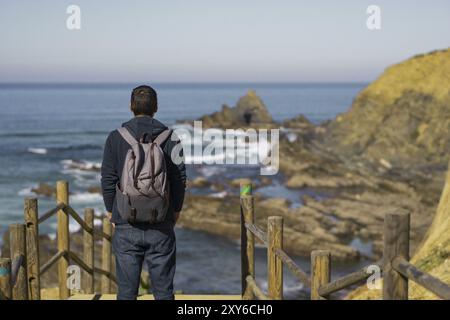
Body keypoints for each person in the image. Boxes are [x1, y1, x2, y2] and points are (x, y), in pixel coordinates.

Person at [101, 85, 186, 300]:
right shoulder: (171, 138)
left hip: (126, 221)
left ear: (131, 106)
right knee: (164, 292)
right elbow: (179, 179)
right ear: (156, 107)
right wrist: (175, 210)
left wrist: (112, 212)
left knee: (127, 292)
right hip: (161, 221)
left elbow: (108, 179)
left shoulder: (115, 137)